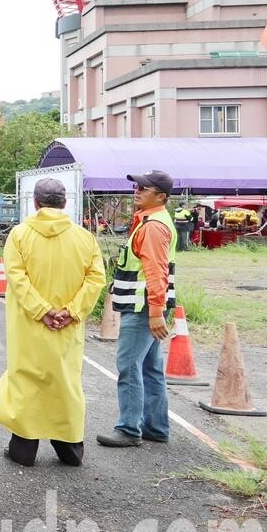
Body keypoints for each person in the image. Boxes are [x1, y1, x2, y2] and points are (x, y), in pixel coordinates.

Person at [0, 178, 106, 467]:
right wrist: (71, 311)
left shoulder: (20, 235)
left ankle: (23, 451)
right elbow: (96, 278)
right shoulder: (85, 238)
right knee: (66, 382)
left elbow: (16, 277)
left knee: (27, 381)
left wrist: (42, 311)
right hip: (68, 327)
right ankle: (70, 451)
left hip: (29, 326)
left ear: (35, 203)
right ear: (65, 203)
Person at [98, 170, 176, 448]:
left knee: (129, 366)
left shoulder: (154, 226)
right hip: (145, 306)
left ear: (161, 196)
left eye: (145, 187)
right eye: (137, 186)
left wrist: (155, 313)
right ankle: (155, 427)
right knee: (150, 368)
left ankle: (129, 428)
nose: (137, 190)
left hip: (143, 308)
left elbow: (157, 272)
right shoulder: (149, 221)